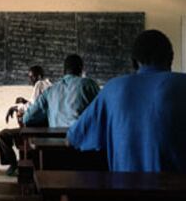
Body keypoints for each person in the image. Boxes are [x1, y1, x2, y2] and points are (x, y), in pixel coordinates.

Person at [67, 29, 186, 172]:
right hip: (177, 192)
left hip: (125, 192)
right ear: (171, 58)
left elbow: (73, 138)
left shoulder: (112, 88)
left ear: (134, 62)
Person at [0, 66, 52, 176]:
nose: (30, 80)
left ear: (39, 76)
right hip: (46, 126)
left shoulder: (39, 84)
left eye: (31, 77)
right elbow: (37, 104)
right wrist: (24, 102)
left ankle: (13, 164)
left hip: (36, 129)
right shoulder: (49, 85)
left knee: (2, 135)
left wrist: (17, 107)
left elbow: (33, 106)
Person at [23, 54, 100, 129]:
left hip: (54, 141)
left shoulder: (50, 91)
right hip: (81, 140)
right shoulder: (89, 85)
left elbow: (27, 118)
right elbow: (104, 113)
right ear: (81, 70)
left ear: (64, 71)